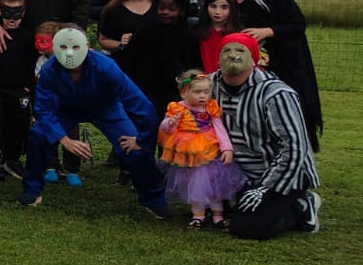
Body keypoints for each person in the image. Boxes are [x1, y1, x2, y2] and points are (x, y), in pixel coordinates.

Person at [20, 27, 169, 216]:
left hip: (106, 109)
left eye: (75, 47)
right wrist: (64, 139)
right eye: (63, 47)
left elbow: (140, 104)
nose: (69, 53)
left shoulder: (106, 66)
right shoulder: (49, 69)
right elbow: (43, 109)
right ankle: (32, 190)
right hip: (66, 109)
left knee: (134, 150)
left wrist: (142, 139)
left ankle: (153, 198)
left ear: (87, 46)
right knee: (39, 135)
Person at [202, 0, 322, 149]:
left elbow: (297, 24)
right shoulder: (215, 0)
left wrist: (267, 31)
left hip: (279, 68)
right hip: (236, 71)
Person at [210, 33, 320, 239]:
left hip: (279, 170)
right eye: (226, 51)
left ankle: (302, 205)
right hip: (235, 170)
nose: (233, 56)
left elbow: (294, 146)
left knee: (248, 227)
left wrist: (265, 187)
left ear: (255, 59)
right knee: (213, 214)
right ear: (217, 59)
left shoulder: (276, 93)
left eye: (240, 51)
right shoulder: (209, 86)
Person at [159, 70, 244, 230]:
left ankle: (218, 216)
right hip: (191, 155)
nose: (203, 96)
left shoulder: (210, 108)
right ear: (184, 92)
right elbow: (165, 129)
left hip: (209, 153)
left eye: (206, 91)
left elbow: (220, 129)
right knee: (195, 186)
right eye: (197, 92)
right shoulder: (177, 108)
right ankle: (198, 215)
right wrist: (171, 122)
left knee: (215, 186)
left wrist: (227, 148)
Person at [0, 0, 35, 180]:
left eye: (17, 13)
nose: (12, 18)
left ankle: (11, 160)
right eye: (7, 12)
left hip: (18, 90)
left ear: (24, 13)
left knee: (18, 127)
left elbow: (31, 62)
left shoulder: (27, 35)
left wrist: (28, 86)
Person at [97, 0, 158, 85]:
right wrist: (120, 44)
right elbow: (103, 40)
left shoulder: (160, 6)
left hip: (157, 70)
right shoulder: (113, 10)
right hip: (126, 72)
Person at [197, 0, 242, 74]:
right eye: (213, 6)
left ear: (232, 9)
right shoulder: (197, 32)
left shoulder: (239, 35)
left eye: (224, 7)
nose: (217, 12)